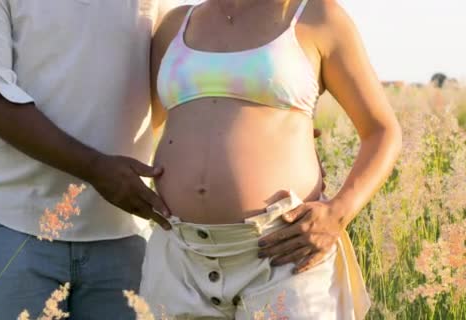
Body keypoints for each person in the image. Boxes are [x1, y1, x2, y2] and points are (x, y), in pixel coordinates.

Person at [140, 0, 402, 319]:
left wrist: (339, 212)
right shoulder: (177, 23)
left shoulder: (317, 16)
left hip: (284, 252)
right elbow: (145, 121)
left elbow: (381, 131)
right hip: (179, 257)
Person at [0, 1, 185, 318]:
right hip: (14, 228)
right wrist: (97, 170)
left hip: (124, 232)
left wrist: (270, 202)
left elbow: (181, 80)